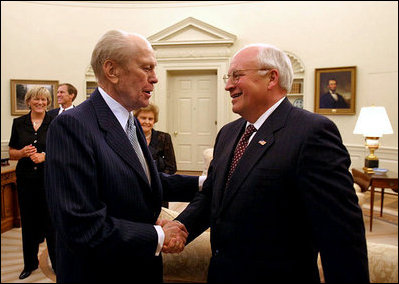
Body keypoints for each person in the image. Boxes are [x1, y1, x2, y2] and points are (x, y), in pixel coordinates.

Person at [166, 44, 369, 283]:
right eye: (227, 76)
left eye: (237, 75)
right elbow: (212, 195)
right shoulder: (229, 133)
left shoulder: (312, 133)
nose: (228, 85)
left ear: (272, 77)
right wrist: (180, 226)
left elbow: (341, 232)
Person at [44, 30, 199, 283]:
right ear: (112, 71)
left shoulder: (129, 120)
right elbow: (80, 225)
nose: (155, 78)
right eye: (146, 68)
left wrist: (204, 182)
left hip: (139, 266)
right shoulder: (72, 126)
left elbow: (139, 182)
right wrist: (159, 235)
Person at [8, 87, 57, 279]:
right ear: (28, 101)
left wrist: (45, 156)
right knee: (28, 224)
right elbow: (11, 151)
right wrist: (21, 154)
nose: (40, 103)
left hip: (49, 180)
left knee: (51, 224)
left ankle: (57, 263)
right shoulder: (19, 123)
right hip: (26, 180)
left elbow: (63, 149)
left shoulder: (55, 122)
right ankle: (30, 264)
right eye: (36, 99)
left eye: (44, 99)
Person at [134, 103, 177, 208]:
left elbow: (171, 167)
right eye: (143, 118)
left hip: (159, 188)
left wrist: (156, 181)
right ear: (135, 119)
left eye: (150, 119)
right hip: (135, 189)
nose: (147, 122)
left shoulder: (164, 138)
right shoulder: (130, 137)